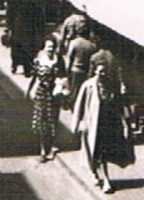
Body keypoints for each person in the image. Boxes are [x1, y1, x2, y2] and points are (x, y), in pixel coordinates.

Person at [71, 57, 134, 192]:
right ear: (95, 72)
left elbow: (118, 105)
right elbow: (79, 106)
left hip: (106, 124)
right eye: (99, 72)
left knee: (102, 153)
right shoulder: (88, 86)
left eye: (104, 72)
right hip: (91, 125)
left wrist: (125, 123)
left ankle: (103, 177)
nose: (102, 74)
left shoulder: (111, 86)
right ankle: (102, 178)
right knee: (94, 152)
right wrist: (77, 123)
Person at [27, 34, 62, 163]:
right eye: (48, 47)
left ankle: (52, 146)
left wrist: (59, 86)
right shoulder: (39, 60)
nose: (50, 49)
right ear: (44, 47)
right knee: (41, 122)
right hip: (41, 94)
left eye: (52, 47)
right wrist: (29, 90)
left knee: (53, 120)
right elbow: (34, 76)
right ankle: (43, 149)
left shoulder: (58, 60)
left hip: (53, 95)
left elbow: (63, 77)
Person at [62, 19, 96, 106]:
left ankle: (72, 106)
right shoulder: (92, 46)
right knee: (82, 91)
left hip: (75, 70)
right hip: (85, 71)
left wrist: (67, 71)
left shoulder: (74, 43)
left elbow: (69, 58)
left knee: (74, 91)